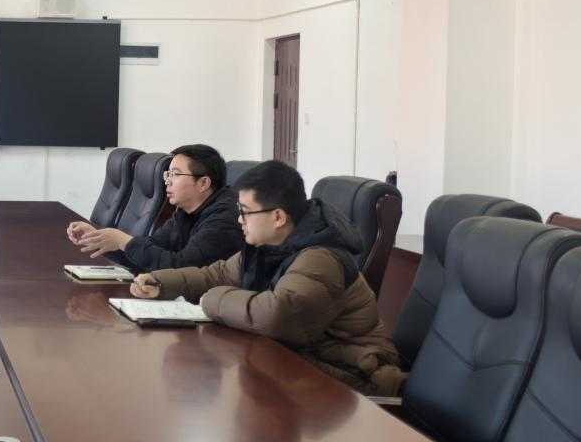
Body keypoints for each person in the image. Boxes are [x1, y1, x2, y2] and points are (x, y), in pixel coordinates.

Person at [130, 160, 405, 396]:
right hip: (300, 359)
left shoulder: (321, 257)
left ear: (278, 217)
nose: (239, 220)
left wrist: (211, 300)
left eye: (245, 212)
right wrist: (159, 282)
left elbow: (278, 315)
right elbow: (217, 274)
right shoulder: (269, 244)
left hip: (353, 373)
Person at [67, 144, 244, 274]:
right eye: (168, 174)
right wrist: (100, 238)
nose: (167, 181)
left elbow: (182, 268)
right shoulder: (186, 211)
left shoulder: (224, 219)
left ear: (204, 183)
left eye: (175, 174)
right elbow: (150, 252)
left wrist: (124, 241)